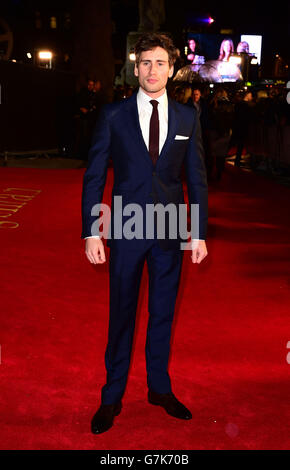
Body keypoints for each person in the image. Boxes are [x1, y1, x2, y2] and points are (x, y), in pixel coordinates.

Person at [81, 33, 208, 434]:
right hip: (125, 227)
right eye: (145, 63)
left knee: (163, 314)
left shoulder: (189, 117)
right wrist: (92, 232)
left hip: (170, 231)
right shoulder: (113, 115)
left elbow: (197, 179)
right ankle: (111, 396)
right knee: (121, 314)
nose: (152, 71)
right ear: (135, 69)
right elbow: (95, 175)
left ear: (171, 70)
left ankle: (159, 388)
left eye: (160, 63)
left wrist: (199, 233)